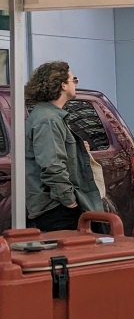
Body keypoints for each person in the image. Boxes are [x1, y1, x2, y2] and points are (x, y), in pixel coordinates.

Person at [25, 61, 104, 232]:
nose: (75, 84)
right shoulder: (48, 119)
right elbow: (52, 165)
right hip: (57, 208)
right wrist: (69, 200)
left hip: (57, 206)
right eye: (73, 79)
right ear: (62, 85)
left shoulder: (50, 116)